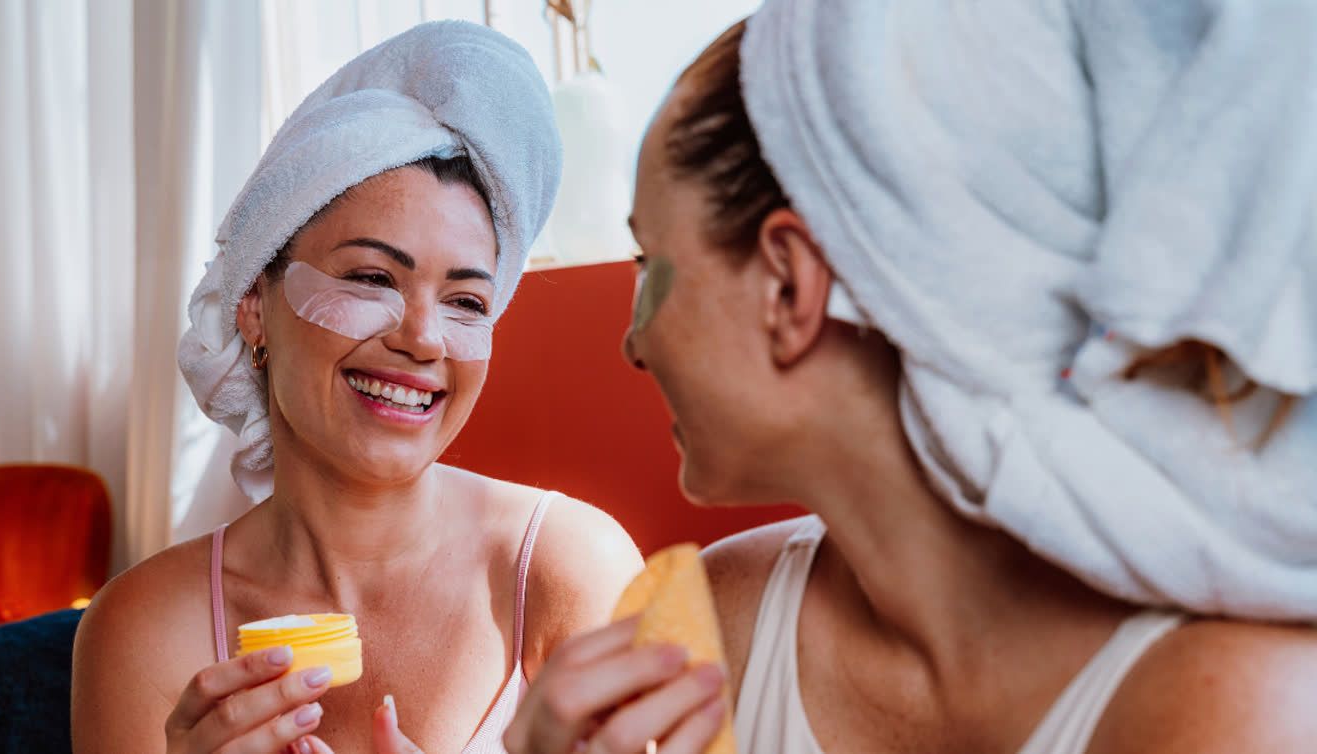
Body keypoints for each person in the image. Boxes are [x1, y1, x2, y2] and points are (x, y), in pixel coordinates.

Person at [505, 2, 1317, 752]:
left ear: (789, 288)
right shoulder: (723, 631)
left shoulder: (1237, 709)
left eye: (651, 267)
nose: (633, 346)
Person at [72, 22, 641, 754]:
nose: (424, 338)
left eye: (466, 301)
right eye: (372, 278)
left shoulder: (570, 571)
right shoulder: (144, 631)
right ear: (253, 307)